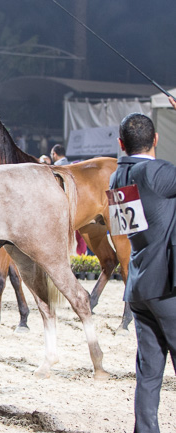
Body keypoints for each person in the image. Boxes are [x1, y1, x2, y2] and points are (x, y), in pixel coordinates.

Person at [109, 113, 176, 433]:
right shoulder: (156, 173)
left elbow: (123, 229)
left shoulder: (116, 177)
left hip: (139, 284)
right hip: (167, 286)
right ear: (156, 139)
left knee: (149, 374)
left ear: (121, 144)